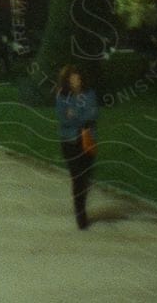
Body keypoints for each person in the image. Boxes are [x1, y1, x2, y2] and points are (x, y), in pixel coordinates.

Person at [55, 65, 97, 230]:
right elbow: (63, 119)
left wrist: (75, 115)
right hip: (70, 142)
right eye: (72, 78)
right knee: (77, 177)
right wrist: (81, 116)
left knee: (85, 178)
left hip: (87, 141)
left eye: (78, 78)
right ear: (67, 81)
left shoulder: (89, 94)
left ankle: (81, 205)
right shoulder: (62, 96)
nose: (75, 81)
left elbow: (93, 115)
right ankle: (81, 213)